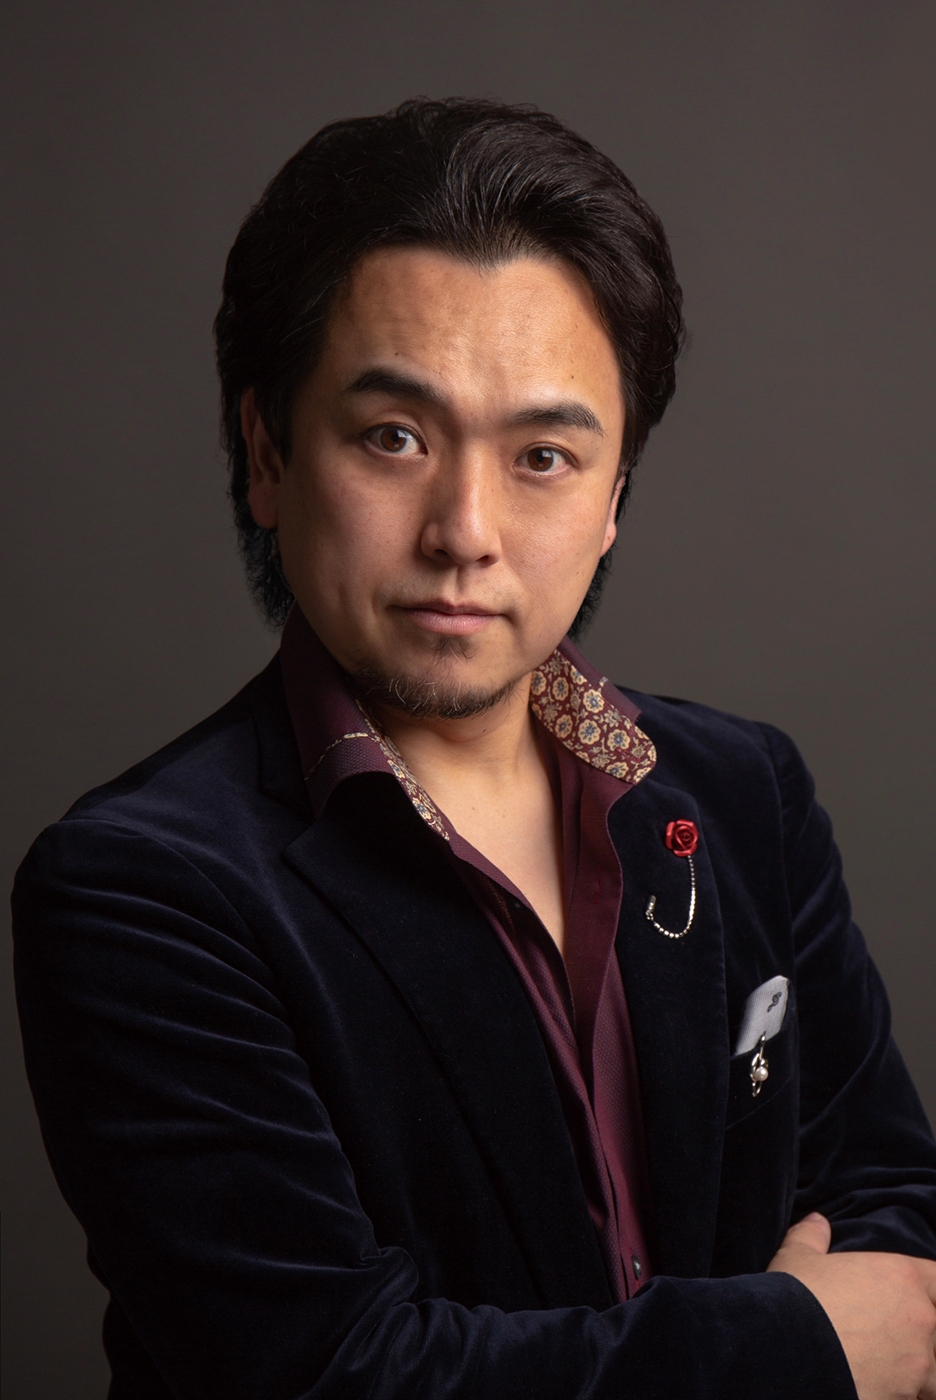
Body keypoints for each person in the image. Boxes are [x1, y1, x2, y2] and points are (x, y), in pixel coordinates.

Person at [12, 97, 936, 1400]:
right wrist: (796, 1348)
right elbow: (334, 1374)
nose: (465, 530)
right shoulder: (141, 888)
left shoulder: (741, 793)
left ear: (613, 500)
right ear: (267, 453)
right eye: (393, 437)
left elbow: (895, 1202)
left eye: (544, 455)